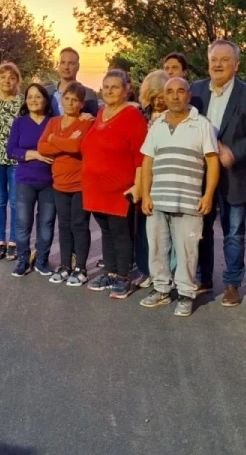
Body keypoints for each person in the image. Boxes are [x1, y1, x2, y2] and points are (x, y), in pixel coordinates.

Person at [190, 39, 246, 307]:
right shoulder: (196, 90)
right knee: (200, 229)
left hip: (235, 175)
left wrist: (233, 152)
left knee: (234, 232)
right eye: (214, 59)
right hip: (201, 176)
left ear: (236, 65)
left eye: (225, 60)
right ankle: (203, 277)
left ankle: (233, 283)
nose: (218, 64)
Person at [139, 77, 219, 317]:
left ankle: (186, 294)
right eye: (170, 92)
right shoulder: (157, 125)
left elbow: (213, 162)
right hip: (158, 199)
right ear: (163, 96)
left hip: (189, 201)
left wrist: (208, 195)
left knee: (187, 250)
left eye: (180, 91)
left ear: (188, 95)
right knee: (157, 248)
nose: (175, 96)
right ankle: (161, 289)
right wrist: (145, 194)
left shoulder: (202, 124)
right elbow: (147, 161)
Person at [82, 70, 148, 299]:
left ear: (126, 89)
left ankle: (123, 277)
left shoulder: (133, 116)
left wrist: (139, 187)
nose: (109, 91)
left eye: (115, 87)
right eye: (106, 86)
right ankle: (110, 272)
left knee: (121, 234)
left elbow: (141, 157)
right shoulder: (100, 113)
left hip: (120, 190)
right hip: (96, 190)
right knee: (106, 233)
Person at [37, 82, 94, 286]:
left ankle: (81, 268)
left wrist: (55, 140)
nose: (70, 103)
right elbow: (42, 148)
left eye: (75, 100)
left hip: (80, 184)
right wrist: (64, 142)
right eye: (67, 99)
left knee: (79, 225)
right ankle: (65, 265)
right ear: (62, 100)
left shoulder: (85, 122)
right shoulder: (53, 122)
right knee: (64, 225)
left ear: (81, 103)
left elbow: (77, 146)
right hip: (59, 183)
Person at [6, 84, 56, 277]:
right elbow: (11, 151)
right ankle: (23, 260)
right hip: (25, 180)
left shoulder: (54, 122)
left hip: (50, 182)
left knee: (46, 223)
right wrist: (35, 154)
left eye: (38, 96)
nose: (33, 100)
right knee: (22, 222)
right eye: (30, 97)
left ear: (45, 99)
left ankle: (42, 260)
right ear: (25, 100)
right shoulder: (19, 123)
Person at [131, 70, 169, 287]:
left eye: (161, 95)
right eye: (153, 96)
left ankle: (163, 273)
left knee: (163, 232)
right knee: (144, 229)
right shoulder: (140, 114)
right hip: (143, 176)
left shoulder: (174, 115)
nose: (158, 101)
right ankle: (147, 271)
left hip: (164, 176)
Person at [0, 62, 24, 261]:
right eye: (3, 76)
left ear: (17, 80)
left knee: (16, 202)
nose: (7, 80)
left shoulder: (22, 102)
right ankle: (0, 241)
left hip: (17, 160)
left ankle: (14, 242)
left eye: (11, 77)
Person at [45, 47, 99, 116]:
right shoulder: (46, 93)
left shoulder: (89, 94)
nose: (66, 67)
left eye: (71, 63)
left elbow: (94, 121)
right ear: (58, 65)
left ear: (78, 67)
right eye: (63, 62)